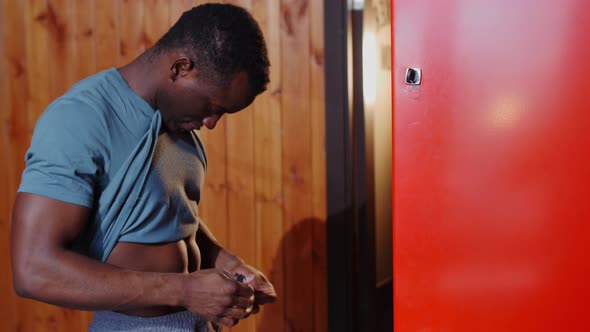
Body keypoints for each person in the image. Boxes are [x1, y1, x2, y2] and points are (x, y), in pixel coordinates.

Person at [10, 3, 276, 331]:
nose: (211, 123)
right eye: (211, 106)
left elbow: (160, 213)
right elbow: (33, 269)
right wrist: (186, 291)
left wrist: (225, 262)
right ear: (180, 67)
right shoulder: (80, 117)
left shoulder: (179, 126)